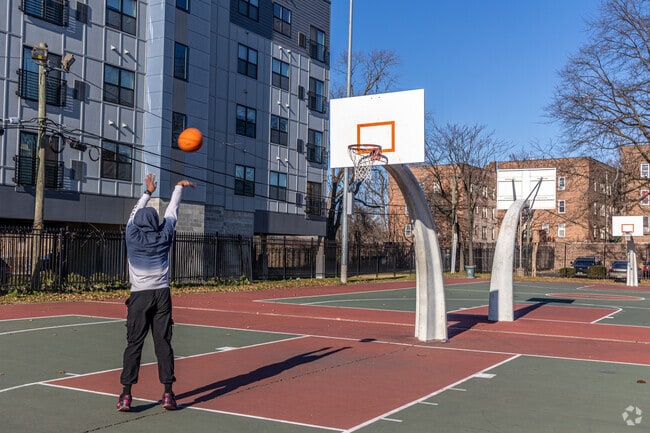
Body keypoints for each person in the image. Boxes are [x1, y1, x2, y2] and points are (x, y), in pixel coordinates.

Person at [117, 173, 196, 412]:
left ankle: (126, 395)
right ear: (155, 222)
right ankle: (168, 394)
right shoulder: (164, 236)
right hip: (162, 295)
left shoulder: (131, 235)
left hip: (139, 296)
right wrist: (178, 188)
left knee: (134, 345)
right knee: (163, 344)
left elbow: (134, 213)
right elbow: (172, 212)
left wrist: (147, 192)